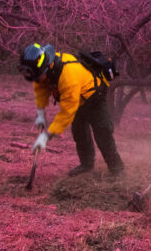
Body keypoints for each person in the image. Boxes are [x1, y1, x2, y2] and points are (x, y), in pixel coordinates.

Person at [19, 43, 124, 177]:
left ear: (46, 68)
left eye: (38, 76)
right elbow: (40, 88)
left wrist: (46, 136)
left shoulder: (68, 76)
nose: (37, 80)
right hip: (78, 99)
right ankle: (86, 165)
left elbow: (67, 112)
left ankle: (117, 169)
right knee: (79, 132)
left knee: (102, 132)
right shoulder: (45, 69)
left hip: (94, 96)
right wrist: (40, 112)